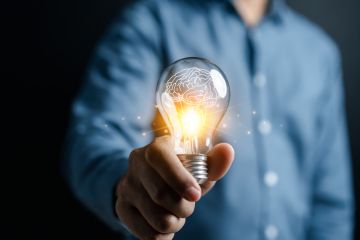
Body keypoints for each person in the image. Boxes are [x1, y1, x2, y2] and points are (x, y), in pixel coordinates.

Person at [63, 0, 354, 239]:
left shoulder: (319, 53)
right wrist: (129, 187)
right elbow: (95, 137)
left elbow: (330, 203)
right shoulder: (152, 22)